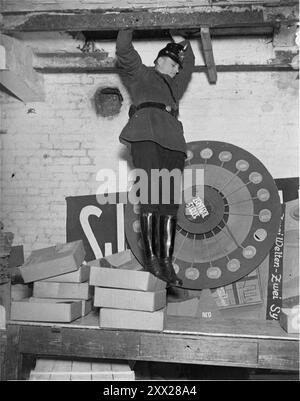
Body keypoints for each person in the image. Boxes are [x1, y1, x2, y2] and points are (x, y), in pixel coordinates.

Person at [116, 28, 195, 286]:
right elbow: (125, 51)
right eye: (172, 64)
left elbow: (190, 62)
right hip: (145, 134)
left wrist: (181, 40)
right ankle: (150, 261)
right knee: (150, 196)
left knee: (169, 203)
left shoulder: (175, 85)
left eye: (176, 67)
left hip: (173, 143)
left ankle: (165, 263)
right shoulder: (141, 75)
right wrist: (129, 24)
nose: (175, 70)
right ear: (159, 61)